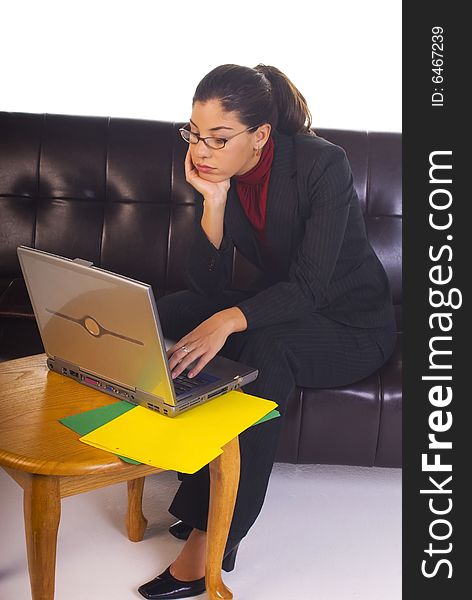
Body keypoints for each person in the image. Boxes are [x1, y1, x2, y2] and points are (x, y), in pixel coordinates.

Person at [137, 64, 397, 599]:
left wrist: (229, 321)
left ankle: (216, 537)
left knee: (265, 347)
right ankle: (191, 472)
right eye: (195, 134)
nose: (202, 151)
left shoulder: (323, 165)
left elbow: (309, 286)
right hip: (288, 308)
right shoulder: (226, 177)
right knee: (175, 309)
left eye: (219, 138)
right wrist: (212, 201)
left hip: (352, 323)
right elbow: (205, 287)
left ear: (260, 136)